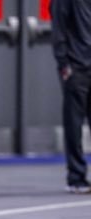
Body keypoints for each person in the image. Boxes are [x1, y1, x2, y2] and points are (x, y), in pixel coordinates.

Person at [50, 0, 91, 194]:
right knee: (74, 123)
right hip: (76, 65)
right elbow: (59, 27)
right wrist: (63, 62)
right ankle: (76, 177)